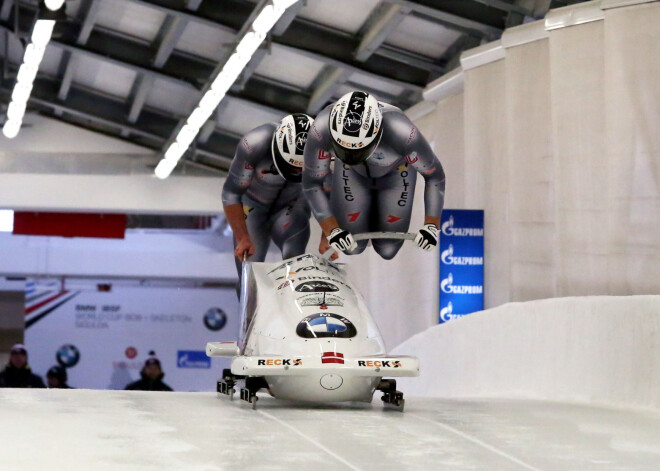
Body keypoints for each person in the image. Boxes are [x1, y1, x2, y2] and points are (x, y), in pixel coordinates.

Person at [303, 90, 445, 259]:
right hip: (350, 172)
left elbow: (435, 176)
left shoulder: (403, 134)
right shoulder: (320, 130)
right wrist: (331, 230)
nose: (352, 153)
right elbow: (312, 183)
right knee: (352, 247)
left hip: (397, 173)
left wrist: (431, 226)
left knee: (387, 249)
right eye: (344, 148)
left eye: (358, 149)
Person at [222, 113, 331, 278]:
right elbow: (231, 193)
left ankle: (292, 299)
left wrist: (328, 237)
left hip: (292, 205)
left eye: (302, 167)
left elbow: (328, 193)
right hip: (252, 207)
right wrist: (242, 237)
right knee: (249, 273)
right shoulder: (254, 144)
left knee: (295, 260)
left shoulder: (322, 149)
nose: (297, 171)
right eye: (293, 166)